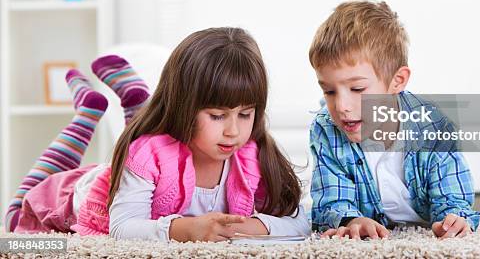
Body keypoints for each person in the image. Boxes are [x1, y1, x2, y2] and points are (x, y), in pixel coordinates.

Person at [5, 27, 309, 242]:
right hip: (72, 195)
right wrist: (183, 230)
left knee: (144, 145)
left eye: (245, 114)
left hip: (133, 175)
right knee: (17, 214)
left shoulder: (250, 155)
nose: (233, 130)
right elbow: (122, 228)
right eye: (217, 115)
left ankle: (136, 108)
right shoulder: (148, 155)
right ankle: (86, 115)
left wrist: (253, 227)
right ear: (184, 106)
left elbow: (299, 219)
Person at [308, 0, 480, 239]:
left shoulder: (433, 125)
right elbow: (331, 201)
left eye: (357, 89)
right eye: (329, 91)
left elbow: (453, 196)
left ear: (397, 81)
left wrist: (453, 219)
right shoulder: (326, 128)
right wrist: (351, 220)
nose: (341, 106)